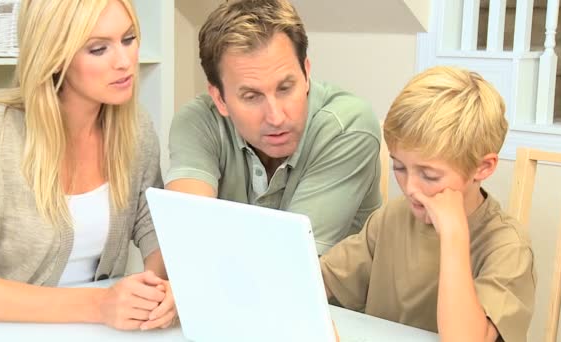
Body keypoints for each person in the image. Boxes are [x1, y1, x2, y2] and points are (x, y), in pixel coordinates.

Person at [0, 0, 175, 331]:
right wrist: (99, 305)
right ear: (55, 56)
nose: (124, 61)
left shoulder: (134, 128)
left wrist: (163, 289)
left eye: (128, 39)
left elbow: (155, 231)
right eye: (98, 48)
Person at [321, 66, 536, 342]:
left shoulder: (509, 247)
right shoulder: (392, 217)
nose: (410, 188)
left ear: (483, 168)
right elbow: (320, 280)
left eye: (429, 175)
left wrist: (453, 234)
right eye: (399, 167)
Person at [166, 0, 382, 254]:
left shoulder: (348, 127)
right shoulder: (198, 121)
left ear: (306, 73)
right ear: (220, 99)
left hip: (323, 294)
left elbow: (290, 259)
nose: (276, 117)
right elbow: (187, 238)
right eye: (252, 96)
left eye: (285, 88)